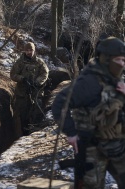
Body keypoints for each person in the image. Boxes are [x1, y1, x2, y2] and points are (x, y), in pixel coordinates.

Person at [52, 36, 125, 188]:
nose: (122, 64)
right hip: (91, 148)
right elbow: (60, 103)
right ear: (106, 59)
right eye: (119, 60)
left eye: (124, 60)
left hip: (117, 144)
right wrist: (71, 133)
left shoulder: (116, 80)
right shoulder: (88, 82)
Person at [10, 42, 49, 136]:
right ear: (24, 51)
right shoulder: (19, 62)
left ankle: (36, 131)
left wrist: (37, 82)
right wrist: (22, 79)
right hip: (22, 93)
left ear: (34, 50)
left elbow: (45, 73)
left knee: (37, 111)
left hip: (36, 92)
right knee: (23, 115)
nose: (29, 52)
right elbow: (13, 75)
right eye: (27, 50)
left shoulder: (39, 62)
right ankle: (25, 133)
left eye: (31, 50)